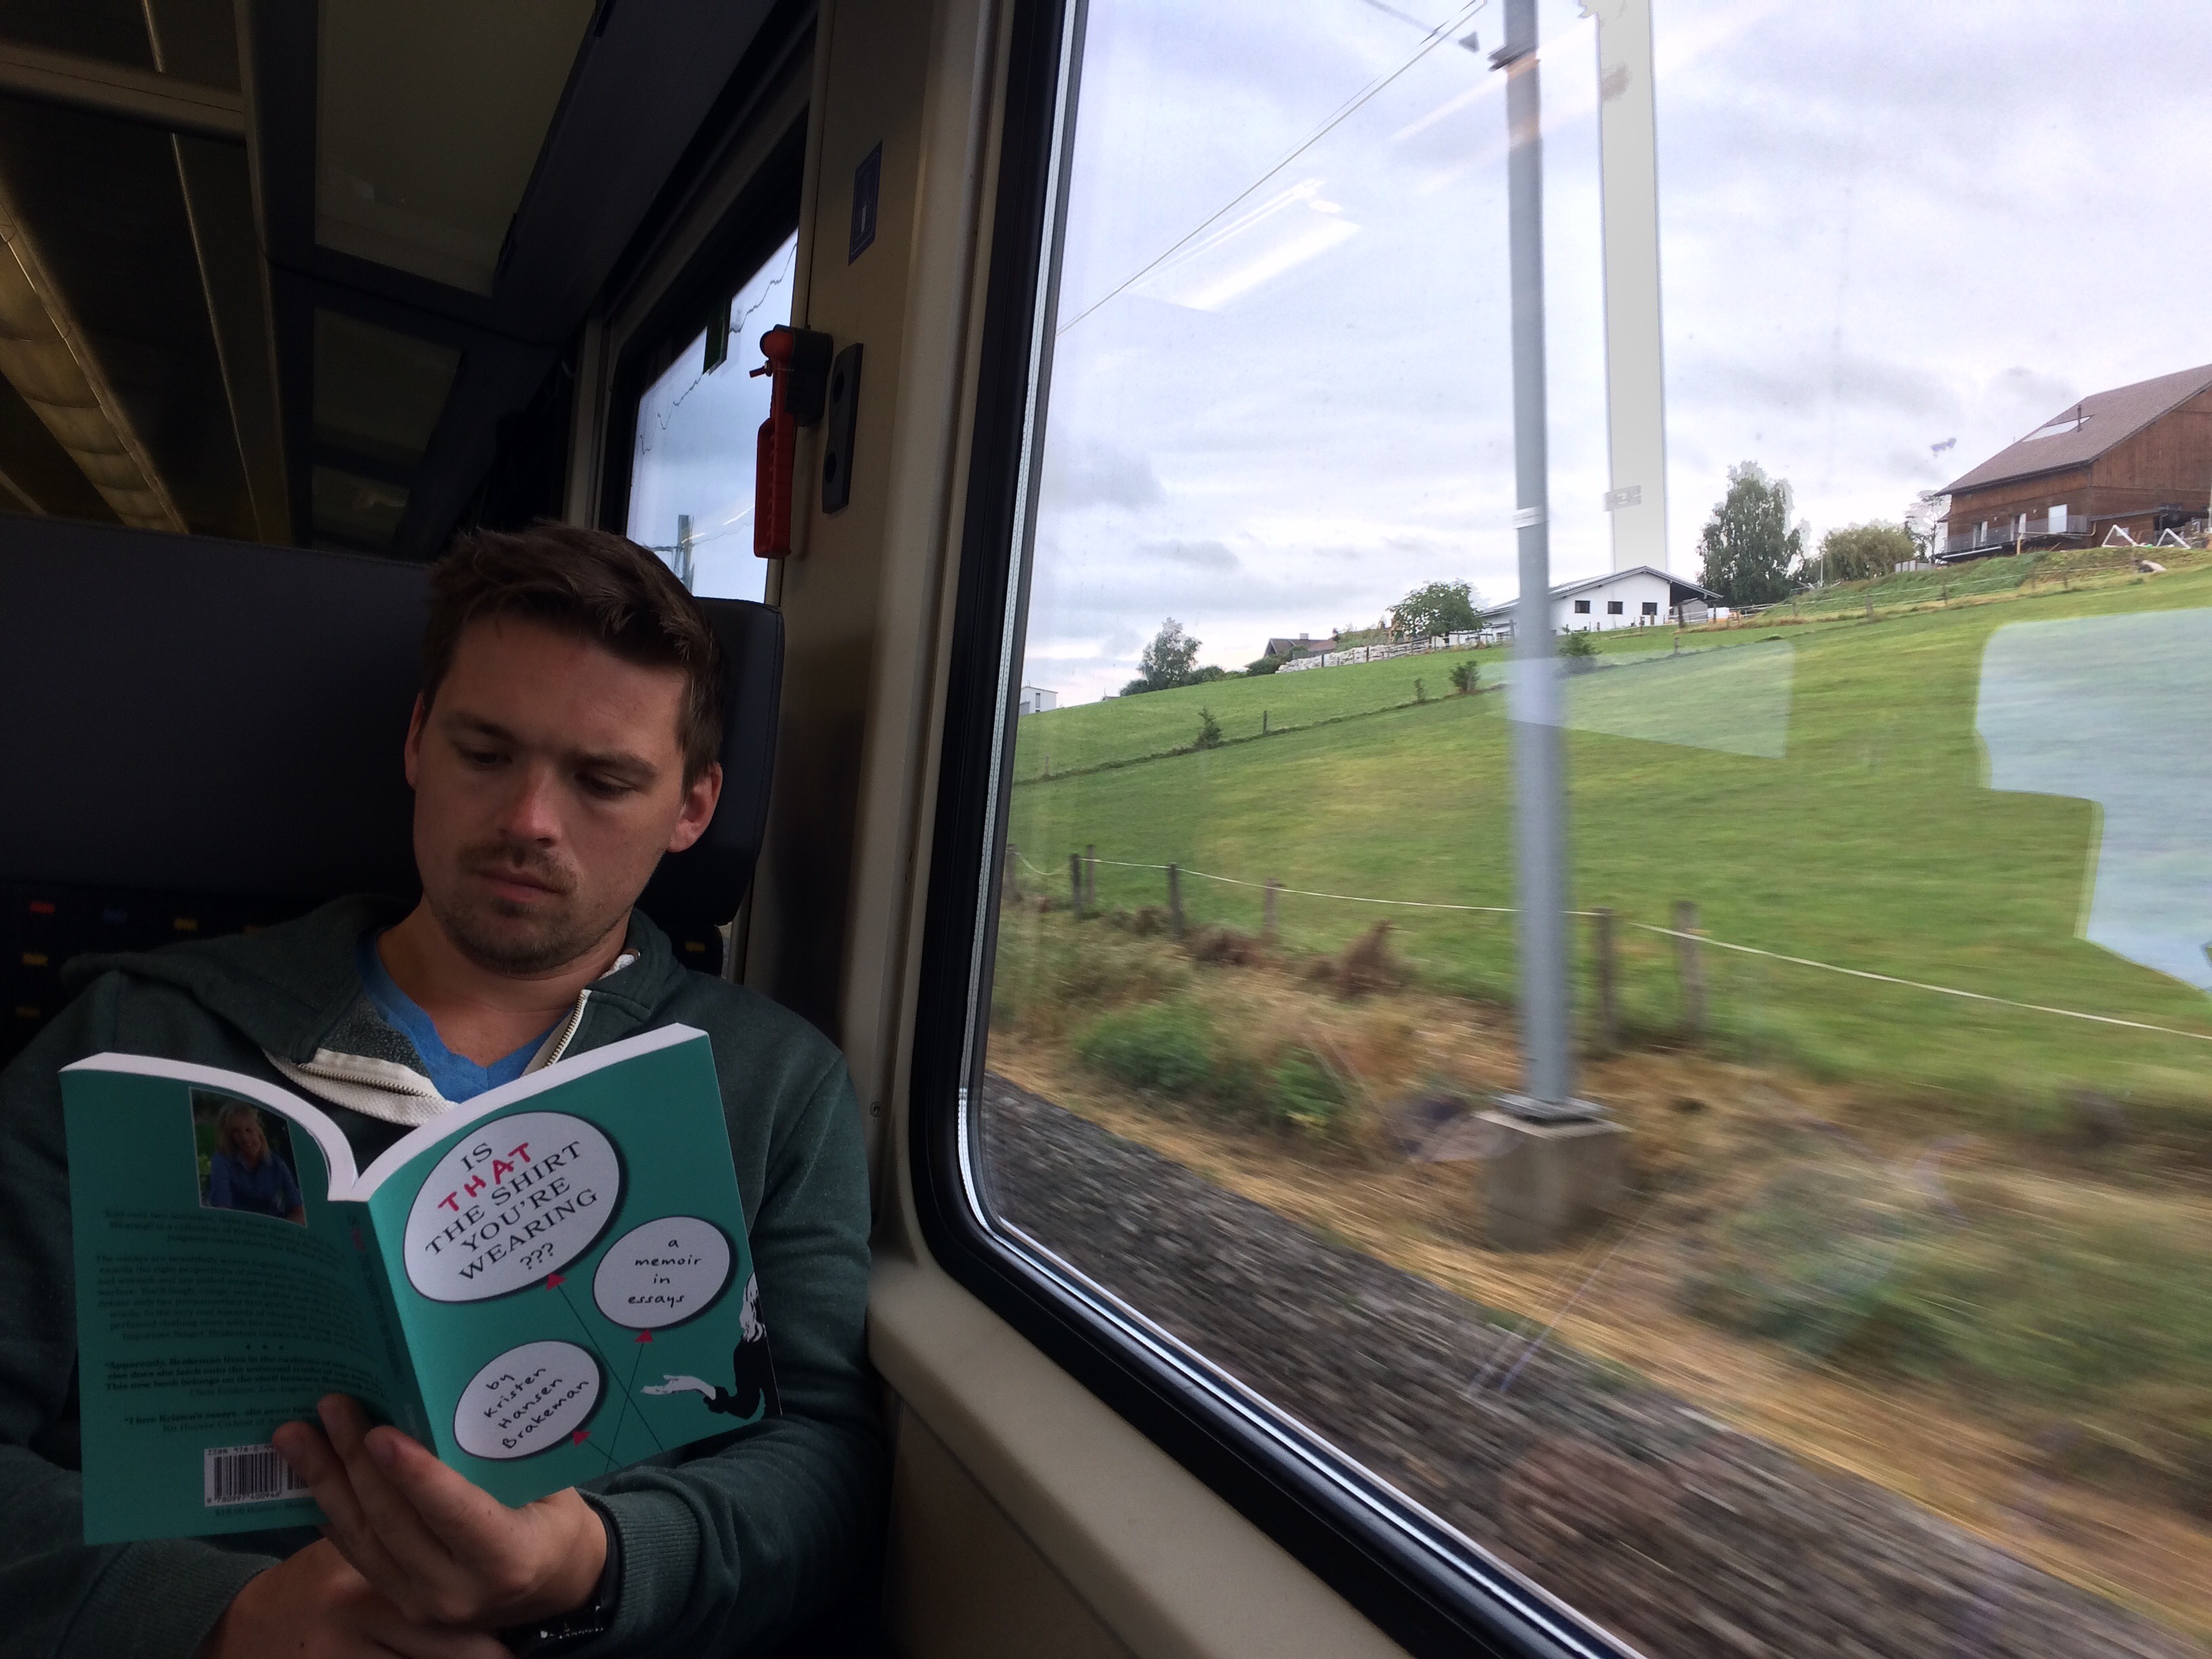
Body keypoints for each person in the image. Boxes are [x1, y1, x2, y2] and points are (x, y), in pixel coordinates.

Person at [0, 526, 882, 1659]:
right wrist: (218, 1620)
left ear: (692, 807)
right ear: (418, 740)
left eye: (603, 780)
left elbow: (819, 1458)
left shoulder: (773, 1084)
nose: (529, 822)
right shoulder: (138, 1033)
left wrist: (592, 1565)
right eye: (485, 753)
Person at [203, 1102, 307, 1225]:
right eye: (236, 1131)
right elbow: (222, 1210)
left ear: (259, 1129)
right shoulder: (222, 1161)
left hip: (273, 1227)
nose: (245, 1138)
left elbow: (298, 1210)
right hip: (238, 1227)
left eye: (249, 1130)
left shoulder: (277, 1164)